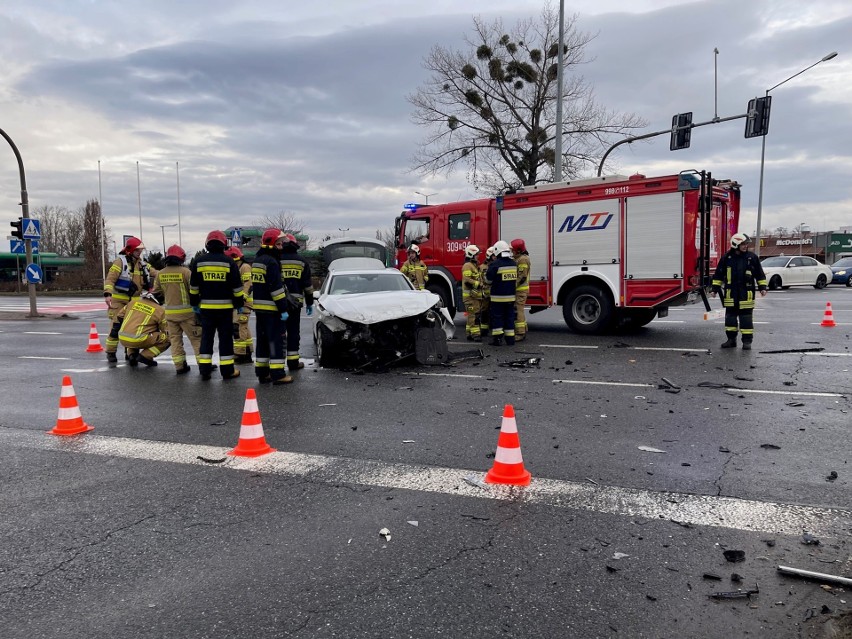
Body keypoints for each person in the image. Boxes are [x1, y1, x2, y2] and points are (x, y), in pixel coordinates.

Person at [189, 230, 246, 380]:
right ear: (224, 245)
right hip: (225, 309)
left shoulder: (198, 262)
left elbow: (193, 287)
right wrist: (240, 304)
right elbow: (237, 288)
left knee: (206, 339)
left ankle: (204, 370)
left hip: (206, 309)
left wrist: (194, 304)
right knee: (225, 340)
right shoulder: (229, 262)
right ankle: (227, 371)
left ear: (207, 244)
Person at [711, 232, 768, 350]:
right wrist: (714, 289)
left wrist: (762, 287)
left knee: (746, 319)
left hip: (746, 294)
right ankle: (731, 340)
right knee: (730, 319)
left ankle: (747, 342)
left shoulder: (751, 258)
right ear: (735, 244)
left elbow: (760, 274)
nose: (745, 246)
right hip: (730, 294)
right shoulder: (726, 258)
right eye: (743, 244)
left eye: (746, 244)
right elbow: (719, 275)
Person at [103, 236, 155, 364]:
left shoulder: (142, 264)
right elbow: (110, 279)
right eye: (138, 250)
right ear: (130, 250)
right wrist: (107, 293)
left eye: (141, 250)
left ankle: (131, 354)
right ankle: (111, 352)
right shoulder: (119, 262)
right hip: (119, 300)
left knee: (132, 328)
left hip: (134, 301)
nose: (140, 252)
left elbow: (155, 272)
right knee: (116, 327)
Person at [251, 229, 293, 385]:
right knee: (276, 342)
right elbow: (276, 289)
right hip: (272, 311)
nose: (281, 247)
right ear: (272, 244)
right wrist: (283, 309)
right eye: (279, 244)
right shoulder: (272, 262)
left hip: (260, 310)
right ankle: (278, 374)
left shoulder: (257, 261)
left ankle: (262, 373)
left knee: (262, 342)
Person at [152, 244, 202, 375]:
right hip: (188, 314)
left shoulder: (161, 274)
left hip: (169, 314)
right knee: (196, 340)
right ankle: (203, 365)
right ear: (181, 258)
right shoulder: (186, 272)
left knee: (175, 341)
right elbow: (195, 290)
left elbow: (156, 293)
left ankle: (180, 366)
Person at [279, 233, 315, 371]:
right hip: (295, 304)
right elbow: (307, 285)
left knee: (278, 332)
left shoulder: (275, 259)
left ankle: (277, 362)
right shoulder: (301, 261)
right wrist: (310, 302)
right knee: (293, 332)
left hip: (277, 302)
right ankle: (293, 363)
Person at [117, 292, 170, 367]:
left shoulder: (133, 302)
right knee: (169, 338)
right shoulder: (159, 310)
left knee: (134, 333)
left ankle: (132, 355)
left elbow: (119, 316)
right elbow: (166, 330)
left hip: (122, 337)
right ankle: (146, 356)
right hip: (139, 339)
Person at [485, 240, 518, 346]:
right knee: (509, 317)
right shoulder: (514, 263)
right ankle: (510, 340)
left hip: (497, 298)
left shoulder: (495, 264)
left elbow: (488, 280)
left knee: (497, 317)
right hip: (511, 297)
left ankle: (498, 339)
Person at [225, 247, 254, 365]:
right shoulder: (238, 267)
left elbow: (248, 285)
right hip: (240, 304)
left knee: (238, 328)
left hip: (243, 304)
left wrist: (241, 300)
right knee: (244, 328)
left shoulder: (244, 267)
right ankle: (247, 352)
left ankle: (240, 354)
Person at [461, 244, 483, 341]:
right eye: (476, 254)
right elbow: (467, 280)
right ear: (471, 255)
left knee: (472, 315)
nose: (478, 256)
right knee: (474, 316)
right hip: (470, 297)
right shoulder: (467, 266)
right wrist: (478, 284)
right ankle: (475, 335)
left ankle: (469, 333)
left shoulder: (473, 265)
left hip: (474, 297)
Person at [511, 238, 531, 341]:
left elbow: (522, 276)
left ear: (518, 250)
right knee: (519, 310)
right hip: (519, 289)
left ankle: (520, 333)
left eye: (513, 250)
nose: (512, 252)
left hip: (520, 290)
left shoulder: (522, 259)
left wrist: (512, 286)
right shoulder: (519, 258)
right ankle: (523, 329)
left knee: (518, 310)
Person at [479, 246, 496, 336]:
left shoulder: (495, 265)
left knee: (494, 311)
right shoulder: (483, 267)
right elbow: (486, 280)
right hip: (486, 293)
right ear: (489, 256)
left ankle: (494, 328)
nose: (495, 257)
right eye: (493, 256)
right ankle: (484, 330)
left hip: (494, 293)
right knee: (484, 311)